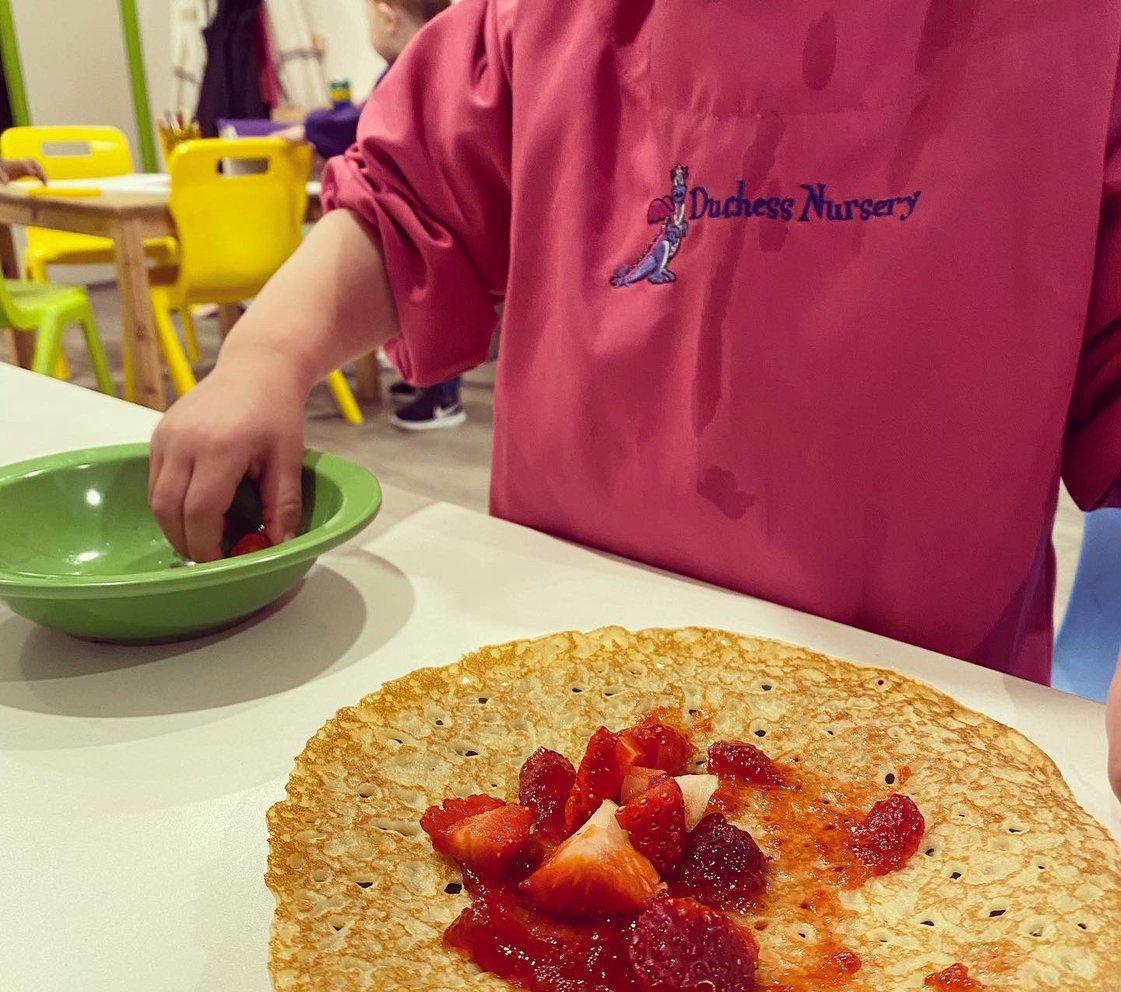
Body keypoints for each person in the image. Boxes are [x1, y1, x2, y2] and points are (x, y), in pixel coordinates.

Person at [148, 1, 1121, 798]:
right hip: (568, 658)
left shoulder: (1087, 45)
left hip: (916, 693)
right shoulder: (540, 18)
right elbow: (409, 201)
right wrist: (266, 357)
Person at [282, 0, 464, 430]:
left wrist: (310, 127)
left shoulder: (415, 64)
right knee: (425, 304)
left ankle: (442, 395)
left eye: (367, 21)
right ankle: (429, 380)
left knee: (438, 302)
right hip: (435, 209)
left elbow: (361, 119)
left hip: (432, 214)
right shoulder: (444, 56)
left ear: (387, 16)